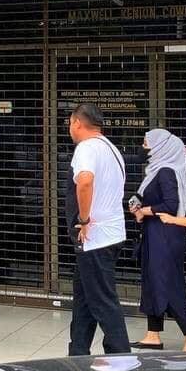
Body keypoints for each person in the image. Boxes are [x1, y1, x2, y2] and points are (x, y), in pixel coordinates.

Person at [65, 103, 131, 356]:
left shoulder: (87, 148)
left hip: (95, 237)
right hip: (109, 235)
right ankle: (78, 353)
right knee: (83, 300)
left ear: (77, 123)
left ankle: (121, 355)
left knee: (103, 301)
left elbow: (85, 181)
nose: (70, 128)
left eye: (70, 123)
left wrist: (83, 218)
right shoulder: (111, 149)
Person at [130, 129, 186, 352]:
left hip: (166, 236)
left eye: (146, 143)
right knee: (152, 282)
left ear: (160, 147)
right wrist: (137, 204)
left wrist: (145, 211)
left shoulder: (167, 171)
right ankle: (153, 335)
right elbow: (146, 195)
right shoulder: (155, 171)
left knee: (167, 283)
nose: (143, 148)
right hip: (155, 234)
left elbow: (171, 205)